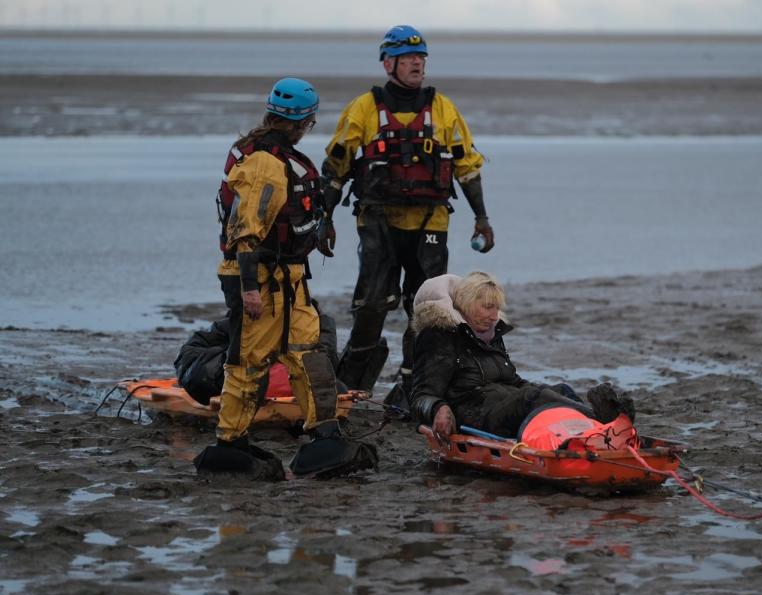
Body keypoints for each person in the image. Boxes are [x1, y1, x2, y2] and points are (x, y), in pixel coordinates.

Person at [194, 77, 367, 480]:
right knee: (250, 363)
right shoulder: (264, 166)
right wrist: (250, 289)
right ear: (301, 121)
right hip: (258, 280)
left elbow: (291, 216)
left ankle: (324, 435)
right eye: (309, 121)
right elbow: (247, 232)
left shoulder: (281, 160)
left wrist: (319, 229)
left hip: (289, 279)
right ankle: (229, 442)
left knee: (309, 355)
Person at [318, 25, 495, 402]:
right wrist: (325, 219)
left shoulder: (443, 109)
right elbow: (335, 169)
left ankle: (418, 385)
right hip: (377, 220)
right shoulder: (363, 109)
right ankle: (351, 387)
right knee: (372, 304)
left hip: (431, 221)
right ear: (388, 64)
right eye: (408, 57)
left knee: (428, 305)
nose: (417, 62)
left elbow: (466, 166)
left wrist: (482, 218)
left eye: (421, 57)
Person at [410, 272, 635, 440]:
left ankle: (587, 433)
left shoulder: (489, 334)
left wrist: (545, 392)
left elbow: (512, 381)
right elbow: (420, 396)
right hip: (473, 414)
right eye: (488, 307)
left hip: (501, 401)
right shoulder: (439, 336)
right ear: (467, 304)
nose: (494, 316)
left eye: (496, 308)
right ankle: (605, 424)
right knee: (532, 397)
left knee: (560, 390)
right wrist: (439, 408)